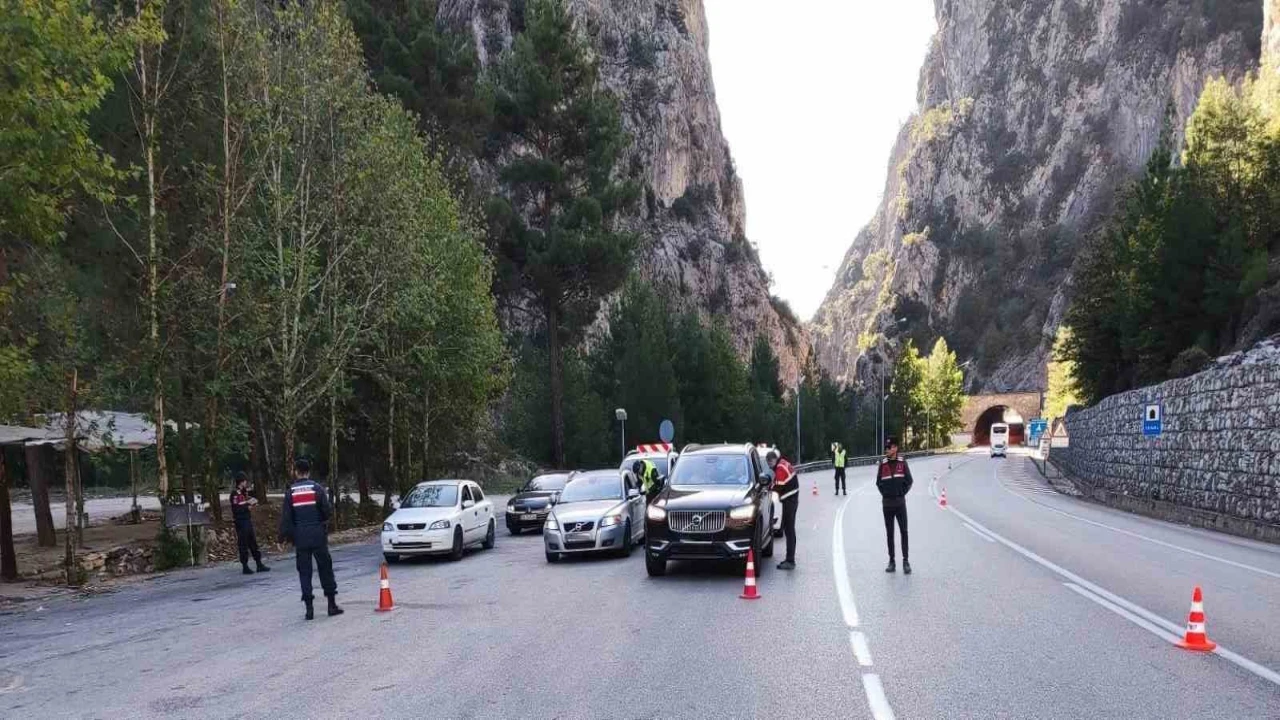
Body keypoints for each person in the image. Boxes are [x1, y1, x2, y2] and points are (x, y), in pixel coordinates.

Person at [279, 458, 343, 620]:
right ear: (309, 471)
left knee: (304, 572)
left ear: (296, 471)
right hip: (318, 535)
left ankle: (309, 609)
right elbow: (327, 512)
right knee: (325, 568)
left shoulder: (290, 493)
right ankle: (331, 605)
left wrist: (283, 538)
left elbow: (287, 519)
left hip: (300, 538)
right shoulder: (317, 489)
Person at [875, 437, 913, 574]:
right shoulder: (883, 464)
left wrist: (901, 493)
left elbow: (909, 481)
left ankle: (906, 561)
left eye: (889, 447)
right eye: (886, 447)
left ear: (895, 448)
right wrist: (885, 494)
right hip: (887, 505)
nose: (887, 450)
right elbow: (878, 482)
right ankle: (892, 561)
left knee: (904, 532)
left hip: (900, 504)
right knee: (889, 534)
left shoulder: (902, 463)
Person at [230, 472, 269, 575]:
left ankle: (259, 563)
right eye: (245, 481)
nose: (246, 483)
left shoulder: (243, 493)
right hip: (241, 521)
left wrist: (252, 502)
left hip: (247, 520)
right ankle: (245, 566)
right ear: (241, 482)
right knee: (243, 544)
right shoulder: (235, 494)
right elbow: (236, 509)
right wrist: (247, 507)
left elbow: (245, 502)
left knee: (253, 542)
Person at [767, 449, 798, 570]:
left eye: (769, 464)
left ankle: (790, 561)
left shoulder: (780, 468)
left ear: (773, 460)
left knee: (789, 530)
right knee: (789, 530)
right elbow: (779, 482)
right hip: (792, 499)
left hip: (790, 501)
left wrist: (769, 488)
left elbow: (779, 486)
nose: (770, 467)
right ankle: (789, 559)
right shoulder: (783, 463)